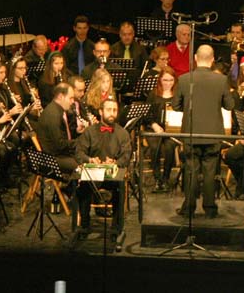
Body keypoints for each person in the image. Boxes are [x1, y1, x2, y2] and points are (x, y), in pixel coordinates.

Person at [172, 44, 235, 218]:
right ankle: (210, 208)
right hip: (213, 134)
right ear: (213, 60)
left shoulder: (184, 79)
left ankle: (189, 208)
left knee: (191, 170)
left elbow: (175, 106)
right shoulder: (221, 80)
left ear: (195, 58)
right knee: (210, 172)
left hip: (191, 133)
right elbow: (230, 105)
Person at [74, 96, 131, 239]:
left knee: (119, 189)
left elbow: (126, 155)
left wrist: (115, 163)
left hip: (112, 175)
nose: (112, 113)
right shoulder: (90, 132)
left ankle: (116, 228)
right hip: (94, 174)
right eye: (109, 110)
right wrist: (90, 159)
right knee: (83, 188)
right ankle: (84, 226)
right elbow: (79, 152)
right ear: (101, 112)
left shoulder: (122, 133)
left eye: (114, 110)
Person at [144, 67, 180, 192]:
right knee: (155, 147)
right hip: (154, 128)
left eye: (171, 80)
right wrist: (154, 125)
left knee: (169, 147)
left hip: (173, 130)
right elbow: (147, 115)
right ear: (160, 80)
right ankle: (157, 178)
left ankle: (166, 178)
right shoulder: (153, 94)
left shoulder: (178, 95)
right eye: (165, 80)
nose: (168, 83)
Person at [36, 83, 79, 174]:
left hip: (57, 153)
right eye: (70, 98)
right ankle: (72, 187)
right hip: (52, 158)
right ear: (60, 97)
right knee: (80, 162)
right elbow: (59, 145)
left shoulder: (55, 110)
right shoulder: (53, 115)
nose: (72, 102)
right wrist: (78, 142)